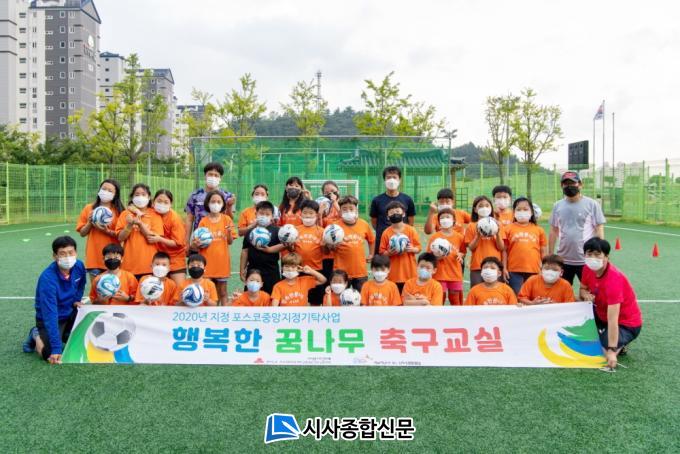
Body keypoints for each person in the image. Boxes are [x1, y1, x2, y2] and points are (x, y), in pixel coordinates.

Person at [579, 238, 642, 369]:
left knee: (601, 354)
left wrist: (612, 350)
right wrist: (585, 295)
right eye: (589, 254)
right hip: (601, 314)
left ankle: (619, 344)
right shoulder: (586, 269)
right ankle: (609, 338)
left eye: (597, 254)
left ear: (607, 256)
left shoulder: (614, 279)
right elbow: (582, 289)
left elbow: (613, 319)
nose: (592, 258)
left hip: (625, 323)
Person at [22, 236, 86, 364]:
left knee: (80, 339)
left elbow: (81, 284)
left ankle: (65, 333)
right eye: (62, 253)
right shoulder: (48, 279)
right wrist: (56, 348)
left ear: (76, 253)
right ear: (55, 256)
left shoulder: (79, 265)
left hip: (70, 311)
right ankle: (35, 334)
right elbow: (50, 314)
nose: (68, 257)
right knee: (49, 353)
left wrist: (76, 299)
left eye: (71, 252)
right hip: (52, 317)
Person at [549, 171, 606, 285]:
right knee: (561, 291)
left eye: (572, 183)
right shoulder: (557, 206)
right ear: (562, 186)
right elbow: (553, 230)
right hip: (563, 259)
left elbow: (599, 228)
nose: (569, 186)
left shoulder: (592, 204)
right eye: (566, 184)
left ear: (580, 184)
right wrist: (550, 254)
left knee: (589, 290)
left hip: (586, 259)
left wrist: (600, 253)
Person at [76, 179, 124, 280]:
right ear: (99, 190)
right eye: (104, 189)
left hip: (113, 256)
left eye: (110, 191)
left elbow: (121, 236)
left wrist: (106, 231)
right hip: (94, 257)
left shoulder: (119, 211)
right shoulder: (89, 208)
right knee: (96, 287)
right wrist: (90, 222)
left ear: (115, 194)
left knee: (113, 287)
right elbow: (82, 233)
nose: (106, 192)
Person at [194, 190, 236, 305]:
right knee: (207, 292)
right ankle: (209, 313)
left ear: (223, 204)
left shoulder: (226, 219)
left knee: (223, 292)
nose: (215, 204)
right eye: (213, 201)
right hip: (207, 263)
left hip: (222, 262)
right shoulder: (203, 221)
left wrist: (228, 232)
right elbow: (197, 242)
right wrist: (197, 243)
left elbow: (230, 242)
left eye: (218, 201)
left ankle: (223, 313)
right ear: (208, 203)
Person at [115, 183, 164, 280]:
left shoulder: (155, 215)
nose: (140, 197)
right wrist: (129, 225)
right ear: (132, 197)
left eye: (143, 194)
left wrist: (140, 224)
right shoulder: (125, 214)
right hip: (128, 266)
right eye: (137, 195)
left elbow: (152, 238)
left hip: (149, 265)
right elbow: (120, 237)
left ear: (149, 197)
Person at [282, 199, 326, 305]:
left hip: (315, 269)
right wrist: (290, 246)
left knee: (315, 301)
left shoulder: (322, 231)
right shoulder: (295, 230)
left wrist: (324, 245)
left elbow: (325, 252)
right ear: (300, 214)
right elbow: (291, 250)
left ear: (316, 215)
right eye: (305, 212)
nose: (308, 215)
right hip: (296, 269)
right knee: (296, 300)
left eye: (311, 213)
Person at [185, 162, 236, 251]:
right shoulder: (195, 195)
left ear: (220, 178)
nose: (213, 177)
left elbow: (230, 219)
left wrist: (229, 206)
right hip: (198, 241)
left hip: (219, 241)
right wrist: (186, 242)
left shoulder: (228, 196)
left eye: (216, 175)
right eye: (210, 174)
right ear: (205, 176)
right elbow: (189, 219)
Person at [240, 201, 286, 294]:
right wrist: (242, 270)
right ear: (256, 214)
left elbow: (284, 245)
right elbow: (245, 251)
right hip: (253, 270)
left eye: (267, 214)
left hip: (271, 271)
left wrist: (270, 250)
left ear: (272, 216)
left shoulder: (277, 231)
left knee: (272, 297)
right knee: (251, 296)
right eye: (261, 213)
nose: (264, 216)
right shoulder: (250, 231)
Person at [503, 197, 547, 294]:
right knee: (516, 295)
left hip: (534, 270)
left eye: (525, 209)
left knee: (533, 295)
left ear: (531, 212)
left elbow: (543, 251)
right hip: (513, 270)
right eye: (518, 209)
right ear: (514, 212)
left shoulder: (539, 230)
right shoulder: (508, 229)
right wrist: (504, 268)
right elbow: (504, 250)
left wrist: (544, 268)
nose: (522, 212)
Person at [332, 195, 375, 291]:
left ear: (356, 210)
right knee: (340, 297)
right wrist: (332, 246)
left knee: (361, 297)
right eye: (344, 209)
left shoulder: (364, 224)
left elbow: (371, 240)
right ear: (340, 211)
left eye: (351, 209)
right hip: (340, 272)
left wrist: (371, 254)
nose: (348, 211)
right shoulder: (334, 227)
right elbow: (328, 247)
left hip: (360, 271)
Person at [370, 166, 416, 254]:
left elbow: (411, 221)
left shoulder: (407, 199)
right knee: (381, 263)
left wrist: (401, 232)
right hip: (382, 241)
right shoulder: (376, 200)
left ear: (399, 180)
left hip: (402, 240)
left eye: (394, 177)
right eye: (388, 177)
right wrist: (385, 232)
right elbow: (374, 222)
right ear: (384, 180)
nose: (391, 180)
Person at [378, 201, 421, 292]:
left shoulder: (411, 230)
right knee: (395, 298)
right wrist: (389, 253)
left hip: (409, 273)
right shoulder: (386, 233)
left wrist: (412, 249)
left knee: (408, 297)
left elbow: (418, 248)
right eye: (392, 213)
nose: (395, 214)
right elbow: (382, 252)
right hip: (393, 274)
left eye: (397, 211)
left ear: (403, 213)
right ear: (388, 217)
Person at [426, 208, 466, 305]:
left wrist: (460, 255)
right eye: (442, 218)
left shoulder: (459, 237)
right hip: (439, 274)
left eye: (448, 217)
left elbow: (463, 252)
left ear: (454, 220)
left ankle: (456, 315)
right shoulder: (434, 237)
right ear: (439, 222)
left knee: (456, 301)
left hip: (455, 273)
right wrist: (437, 257)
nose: (445, 219)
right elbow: (429, 255)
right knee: (440, 299)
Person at [464, 196, 506, 286]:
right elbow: (471, 248)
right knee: (477, 291)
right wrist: (478, 236)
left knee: (496, 292)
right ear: (475, 209)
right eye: (480, 206)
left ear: (491, 208)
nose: (484, 208)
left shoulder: (497, 224)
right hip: (477, 265)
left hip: (495, 265)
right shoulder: (471, 226)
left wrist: (497, 234)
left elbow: (501, 247)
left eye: (487, 205)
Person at [151, 189, 187, 286]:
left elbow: (178, 243)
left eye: (166, 202)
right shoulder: (151, 213)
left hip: (175, 259)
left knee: (179, 289)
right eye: (159, 201)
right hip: (158, 259)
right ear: (153, 202)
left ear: (171, 204)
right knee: (158, 289)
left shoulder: (175, 219)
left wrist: (159, 239)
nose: (162, 204)